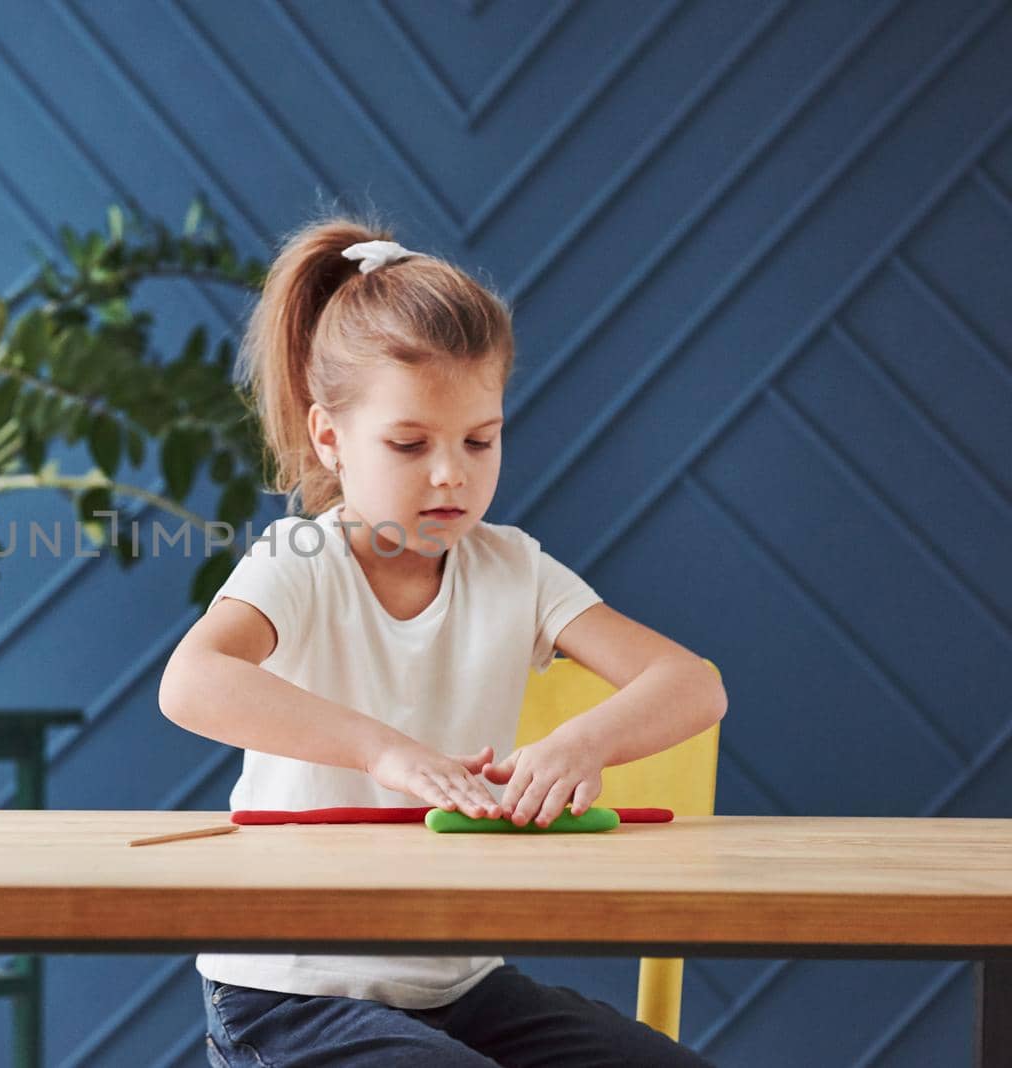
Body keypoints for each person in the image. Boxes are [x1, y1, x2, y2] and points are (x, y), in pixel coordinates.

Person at [157, 214, 728, 1067]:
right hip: (289, 994)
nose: (452, 473)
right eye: (410, 444)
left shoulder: (515, 569)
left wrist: (580, 744)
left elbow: (693, 685)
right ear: (329, 439)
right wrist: (387, 754)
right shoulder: (299, 560)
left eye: (480, 439)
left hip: (458, 985)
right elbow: (190, 684)